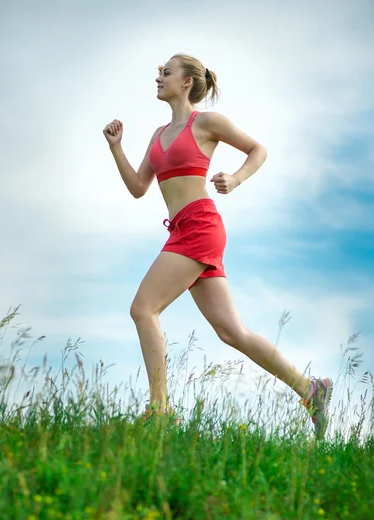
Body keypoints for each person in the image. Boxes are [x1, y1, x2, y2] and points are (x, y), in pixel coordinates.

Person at [103, 53, 333, 438]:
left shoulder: (206, 122)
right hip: (180, 229)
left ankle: (159, 412)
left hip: (200, 225)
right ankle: (311, 390)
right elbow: (139, 188)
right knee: (232, 331)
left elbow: (257, 149)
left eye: (166, 72)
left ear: (187, 82)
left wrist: (237, 179)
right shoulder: (157, 135)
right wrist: (116, 148)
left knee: (143, 309)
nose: (158, 78)